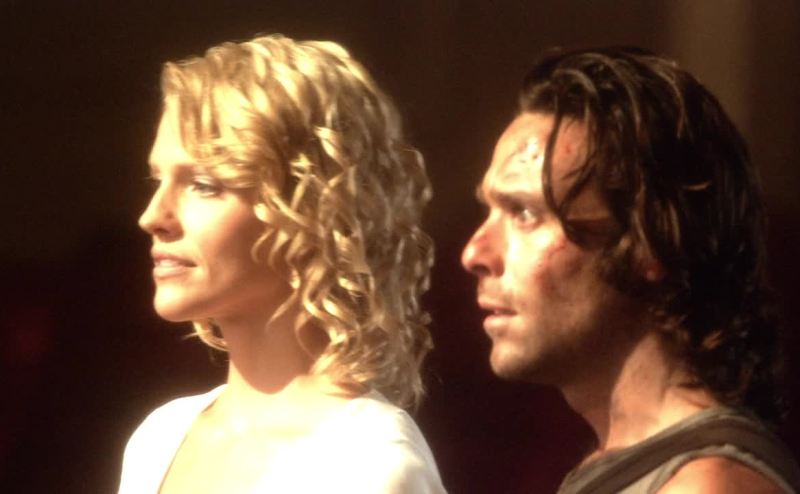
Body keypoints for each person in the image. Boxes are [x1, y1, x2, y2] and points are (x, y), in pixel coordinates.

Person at [461, 46, 800, 493]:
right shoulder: (638, 466)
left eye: (524, 213)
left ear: (650, 242)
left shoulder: (704, 487)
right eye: (489, 210)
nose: (474, 252)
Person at [118, 34, 446, 493]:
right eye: (158, 180)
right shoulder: (159, 437)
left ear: (311, 209)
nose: (152, 216)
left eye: (205, 185)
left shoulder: (370, 464)